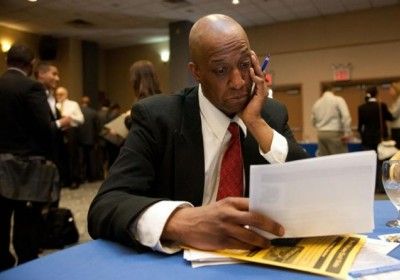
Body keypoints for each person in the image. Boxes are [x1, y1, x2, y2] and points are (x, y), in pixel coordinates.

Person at [88, 14, 308, 253]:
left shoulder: (270, 114)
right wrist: (183, 221)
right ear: (197, 72)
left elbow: (310, 188)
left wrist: (256, 123)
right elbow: (105, 206)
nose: (238, 82)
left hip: (257, 260)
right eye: (221, 70)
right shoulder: (159, 118)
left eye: (245, 65)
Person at [0, 44, 54, 270]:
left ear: (6, 61)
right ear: (31, 65)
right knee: (26, 222)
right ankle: (26, 267)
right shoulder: (31, 87)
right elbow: (45, 127)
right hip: (24, 166)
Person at [35, 62, 71, 193]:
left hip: (55, 152)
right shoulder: (35, 95)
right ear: (41, 74)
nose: (58, 78)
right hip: (42, 155)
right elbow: (39, 127)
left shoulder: (51, 96)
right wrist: (60, 123)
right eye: (54, 74)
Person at [55, 86, 84, 189]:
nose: (59, 96)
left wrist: (70, 118)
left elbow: (81, 119)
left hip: (71, 131)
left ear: (66, 94)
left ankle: (74, 179)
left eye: (61, 94)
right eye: (57, 94)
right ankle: (64, 179)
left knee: (73, 156)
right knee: (61, 156)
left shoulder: (73, 104)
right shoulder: (55, 106)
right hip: (59, 132)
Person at [312, 87, 351, 156]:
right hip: (335, 133)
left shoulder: (317, 103)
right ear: (332, 91)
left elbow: (313, 121)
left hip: (321, 134)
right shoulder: (338, 100)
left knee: (324, 160)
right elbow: (346, 116)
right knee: (340, 160)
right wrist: (347, 132)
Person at [125, 60, 162, 129]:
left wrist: (128, 117)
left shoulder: (141, 104)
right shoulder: (163, 99)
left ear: (135, 79)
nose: (130, 80)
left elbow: (136, 128)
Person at [358, 87, 394, 151]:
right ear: (376, 94)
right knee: (382, 157)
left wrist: (362, 136)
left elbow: (360, 126)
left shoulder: (361, 108)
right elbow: (391, 118)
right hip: (380, 136)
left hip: (367, 138)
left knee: (369, 157)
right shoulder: (381, 105)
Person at [77, 96, 100, 182]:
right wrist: (96, 140)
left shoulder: (78, 112)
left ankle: (82, 177)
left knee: (81, 160)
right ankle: (91, 177)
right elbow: (97, 128)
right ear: (88, 102)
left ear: (81, 102)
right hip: (91, 139)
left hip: (79, 139)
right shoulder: (93, 112)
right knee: (91, 159)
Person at [388, 82, 400, 149]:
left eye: (391, 89)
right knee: (396, 148)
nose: (390, 91)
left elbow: (394, 113)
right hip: (396, 127)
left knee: (399, 148)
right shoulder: (397, 99)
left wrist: (386, 110)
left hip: (399, 127)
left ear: (396, 89)